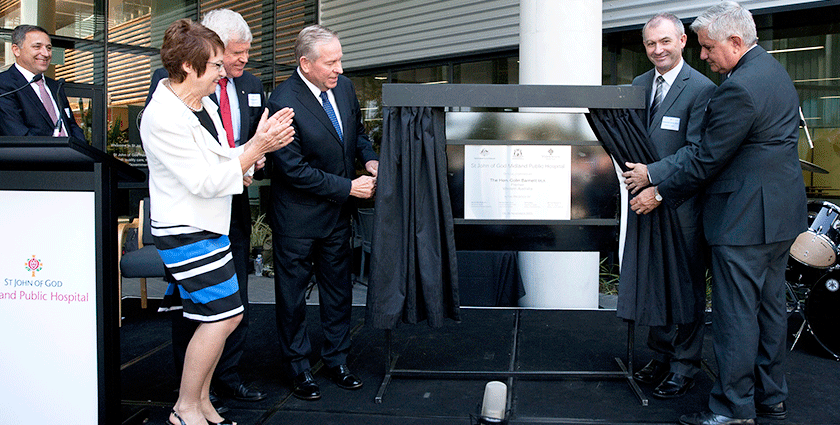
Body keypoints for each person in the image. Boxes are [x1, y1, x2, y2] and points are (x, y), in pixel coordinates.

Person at [625, 2, 807, 424]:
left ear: (735, 42)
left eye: (707, 48)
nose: (703, 56)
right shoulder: (773, 72)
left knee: (735, 317)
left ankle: (732, 409)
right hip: (779, 217)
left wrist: (658, 190)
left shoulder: (737, 88)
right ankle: (771, 396)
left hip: (743, 219)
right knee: (769, 307)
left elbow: (707, 159)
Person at [141, 19, 293, 425]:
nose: (223, 72)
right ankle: (185, 407)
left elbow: (220, 160)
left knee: (228, 315)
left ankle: (202, 401)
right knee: (220, 317)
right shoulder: (162, 117)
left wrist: (249, 152)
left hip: (211, 227)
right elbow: (204, 180)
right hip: (186, 232)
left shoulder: (201, 103)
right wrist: (256, 147)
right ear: (189, 67)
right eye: (215, 65)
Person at [266, 24, 378, 401]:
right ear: (305, 63)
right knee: (293, 298)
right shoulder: (282, 101)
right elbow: (292, 170)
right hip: (296, 220)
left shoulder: (343, 89)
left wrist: (370, 158)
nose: (340, 70)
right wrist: (349, 186)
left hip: (335, 219)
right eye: (331, 63)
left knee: (338, 293)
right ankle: (298, 369)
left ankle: (338, 360)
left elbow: (357, 133)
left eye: (340, 60)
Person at [621, 13, 715, 399]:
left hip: (682, 205)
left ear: (682, 41)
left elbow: (699, 152)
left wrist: (653, 175)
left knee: (688, 287)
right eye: (649, 44)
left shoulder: (703, 89)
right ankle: (659, 356)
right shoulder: (638, 85)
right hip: (642, 203)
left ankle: (684, 365)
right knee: (654, 280)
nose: (657, 50)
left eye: (664, 41)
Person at [0, 24, 85, 140]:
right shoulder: (4, 84)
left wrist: (81, 152)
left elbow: (71, 126)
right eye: (37, 47)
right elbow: (18, 134)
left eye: (49, 48)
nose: (46, 54)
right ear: (16, 50)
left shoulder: (56, 86)